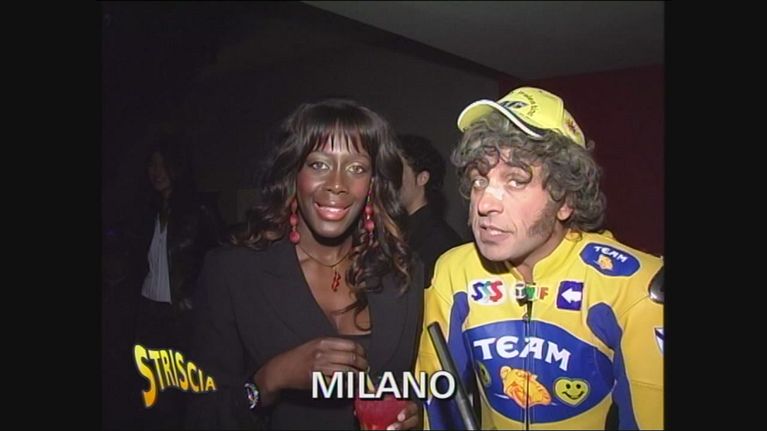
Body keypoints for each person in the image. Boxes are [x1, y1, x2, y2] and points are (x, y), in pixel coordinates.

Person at [415, 87, 663, 429]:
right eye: (479, 180)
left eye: (516, 181)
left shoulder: (635, 286)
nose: (484, 203)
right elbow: (437, 408)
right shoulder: (454, 272)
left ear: (565, 200)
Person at [186, 98, 424, 430]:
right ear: (293, 173)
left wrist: (415, 416)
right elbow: (202, 414)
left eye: (356, 168)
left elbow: (409, 387)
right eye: (319, 164)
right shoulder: (232, 273)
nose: (337, 184)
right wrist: (271, 378)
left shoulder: (402, 273)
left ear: (372, 183)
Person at [129, 138, 223, 428]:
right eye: (152, 164)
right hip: (149, 310)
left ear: (177, 167)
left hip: (184, 313)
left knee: (186, 389)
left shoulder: (199, 209)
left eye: (163, 164)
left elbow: (220, 257)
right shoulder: (147, 210)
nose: (156, 171)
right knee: (152, 391)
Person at [396, 134, 463, 288]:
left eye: (397, 170)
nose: (388, 178)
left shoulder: (440, 242)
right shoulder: (397, 231)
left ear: (422, 178)